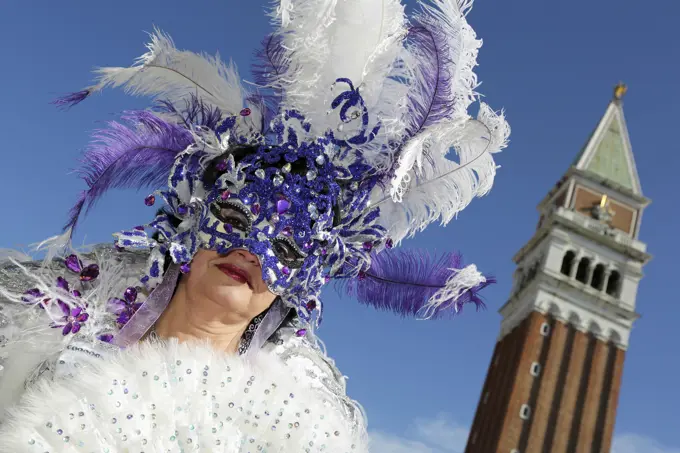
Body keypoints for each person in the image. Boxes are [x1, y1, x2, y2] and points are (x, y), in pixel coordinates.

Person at [0, 0, 510, 451]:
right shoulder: (46, 320)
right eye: (237, 218)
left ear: (302, 283)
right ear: (192, 222)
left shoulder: (303, 421)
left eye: (288, 249)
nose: (251, 251)